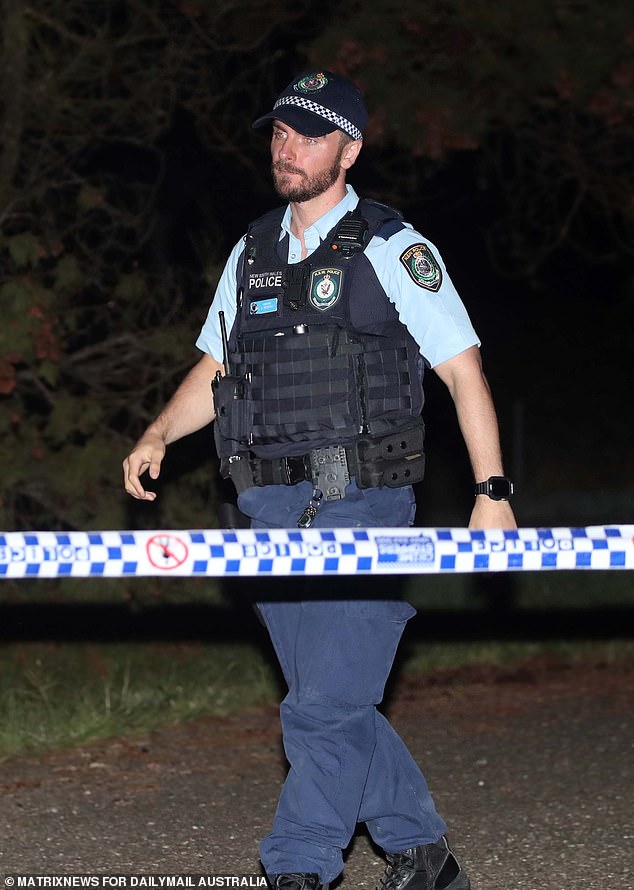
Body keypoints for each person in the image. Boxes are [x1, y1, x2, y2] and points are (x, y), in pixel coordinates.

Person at [123, 69, 517, 890]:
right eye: (279, 131)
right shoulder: (253, 248)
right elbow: (215, 364)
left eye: (308, 133)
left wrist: (492, 495)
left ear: (351, 148)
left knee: (320, 707)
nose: (287, 146)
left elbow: (464, 372)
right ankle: (421, 852)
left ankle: (297, 869)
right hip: (265, 506)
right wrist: (159, 430)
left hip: (363, 498)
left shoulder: (391, 247)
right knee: (330, 697)